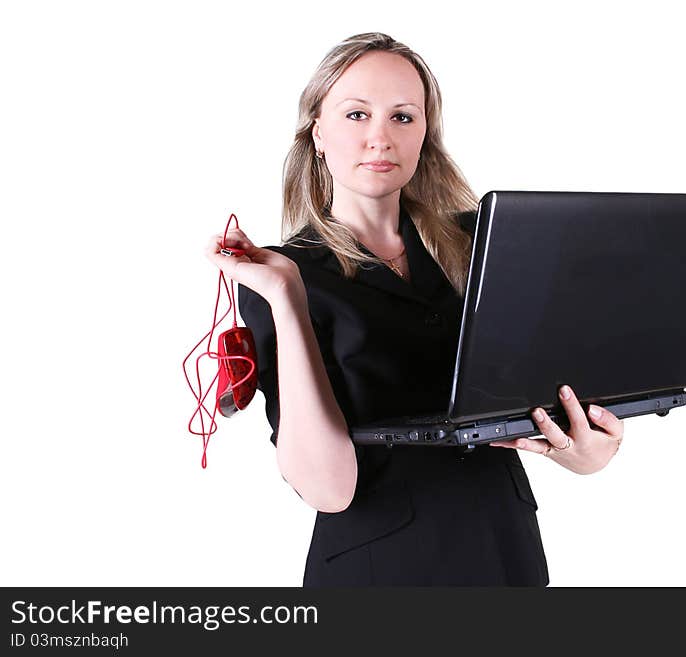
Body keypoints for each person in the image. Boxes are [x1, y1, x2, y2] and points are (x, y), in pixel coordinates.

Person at [204, 32, 625, 586]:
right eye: (356, 114)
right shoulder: (282, 276)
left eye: (403, 117)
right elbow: (328, 489)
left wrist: (583, 449)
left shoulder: (485, 245)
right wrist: (286, 300)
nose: (379, 137)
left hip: (504, 553)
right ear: (318, 133)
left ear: (425, 133)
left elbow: (550, 409)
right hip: (381, 572)